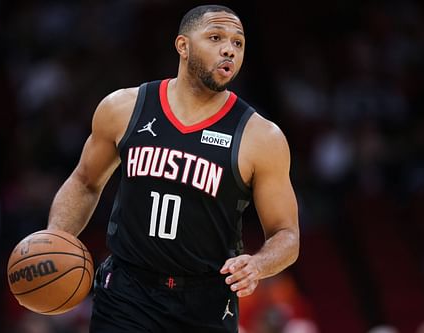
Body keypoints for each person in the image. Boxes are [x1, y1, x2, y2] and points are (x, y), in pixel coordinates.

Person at [47, 4, 299, 332]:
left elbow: (287, 234)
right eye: (215, 37)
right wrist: (55, 238)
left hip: (205, 300)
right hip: (127, 293)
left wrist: (259, 263)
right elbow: (84, 182)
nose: (229, 49)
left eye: (238, 43)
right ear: (183, 45)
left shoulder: (261, 137)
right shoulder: (124, 108)